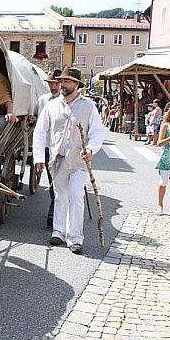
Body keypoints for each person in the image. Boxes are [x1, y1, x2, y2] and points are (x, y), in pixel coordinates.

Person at [33, 67, 106, 254]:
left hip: (79, 161)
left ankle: (75, 237)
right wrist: (39, 157)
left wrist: (91, 149)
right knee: (60, 196)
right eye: (61, 81)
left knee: (76, 195)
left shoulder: (88, 106)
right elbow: (40, 132)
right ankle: (59, 231)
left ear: (76, 84)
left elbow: (97, 132)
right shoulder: (52, 105)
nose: (61, 84)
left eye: (66, 81)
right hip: (57, 159)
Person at [34, 69, 61, 229]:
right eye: (51, 83)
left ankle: (57, 209)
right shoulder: (43, 100)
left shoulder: (67, 101)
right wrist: (33, 119)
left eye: (56, 83)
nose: (53, 86)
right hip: (46, 147)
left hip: (61, 147)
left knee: (60, 180)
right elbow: (37, 120)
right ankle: (54, 205)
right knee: (52, 179)